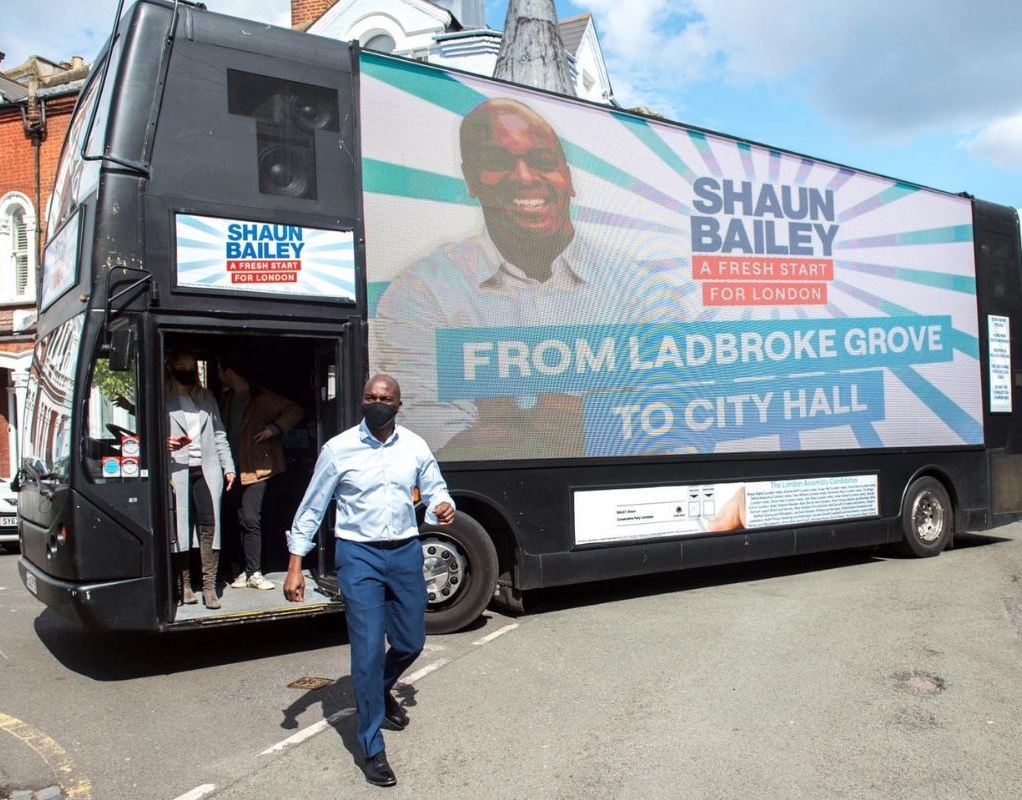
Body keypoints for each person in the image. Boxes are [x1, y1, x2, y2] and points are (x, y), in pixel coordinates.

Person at [372, 97, 678, 460]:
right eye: (498, 162)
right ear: (471, 178)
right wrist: (605, 419)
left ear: (568, 176)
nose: (524, 176)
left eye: (542, 161)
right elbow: (427, 442)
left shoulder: (642, 293)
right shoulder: (422, 292)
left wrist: (511, 424)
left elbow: (676, 425)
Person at [284, 374, 455, 788]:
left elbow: (435, 490)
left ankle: (377, 690)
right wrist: (295, 563)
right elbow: (313, 506)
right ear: (362, 401)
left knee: (412, 640)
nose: (376, 403)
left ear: (399, 405)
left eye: (385, 398)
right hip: (358, 555)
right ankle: (371, 745)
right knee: (366, 652)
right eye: (370, 397)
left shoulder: (414, 446)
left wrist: (442, 505)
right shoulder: (338, 449)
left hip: (404, 551)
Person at [216, 350, 304, 591]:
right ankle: (242, 571)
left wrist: (274, 429)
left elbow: (295, 410)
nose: (218, 373)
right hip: (232, 469)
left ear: (229, 371)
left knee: (251, 518)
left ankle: (254, 571)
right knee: (239, 519)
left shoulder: (261, 397)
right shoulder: (228, 398)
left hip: (258, 467)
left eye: (219, 368)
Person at [165, 349, 236, 609]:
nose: (187, 371)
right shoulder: (162, 396)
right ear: (171, 366)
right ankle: (183, 585)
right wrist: (165, 443)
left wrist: (229, 466)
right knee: (180, 528)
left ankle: (209, 587)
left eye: (191, 366)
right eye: (182, 365)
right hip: (176, 469)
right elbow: (147, 434)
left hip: (206, 469)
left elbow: (219, 434)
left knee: (210, 526)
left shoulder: (205, 397)